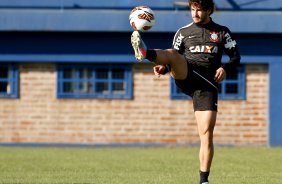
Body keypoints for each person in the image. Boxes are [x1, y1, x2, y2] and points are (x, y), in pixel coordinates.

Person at [131, 0, 241, 183]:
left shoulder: (222, 32)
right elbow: (172, 58)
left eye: (199, 10)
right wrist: (164, 69)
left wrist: (226, 68)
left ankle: (204, 180)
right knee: (173, 54)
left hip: (207, 85)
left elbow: (236, 56)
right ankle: (144, 52)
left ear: (209, 10)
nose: (195, 14)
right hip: (187, 74)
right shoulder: (183, 32)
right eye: (192, 9)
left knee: (206, 133)